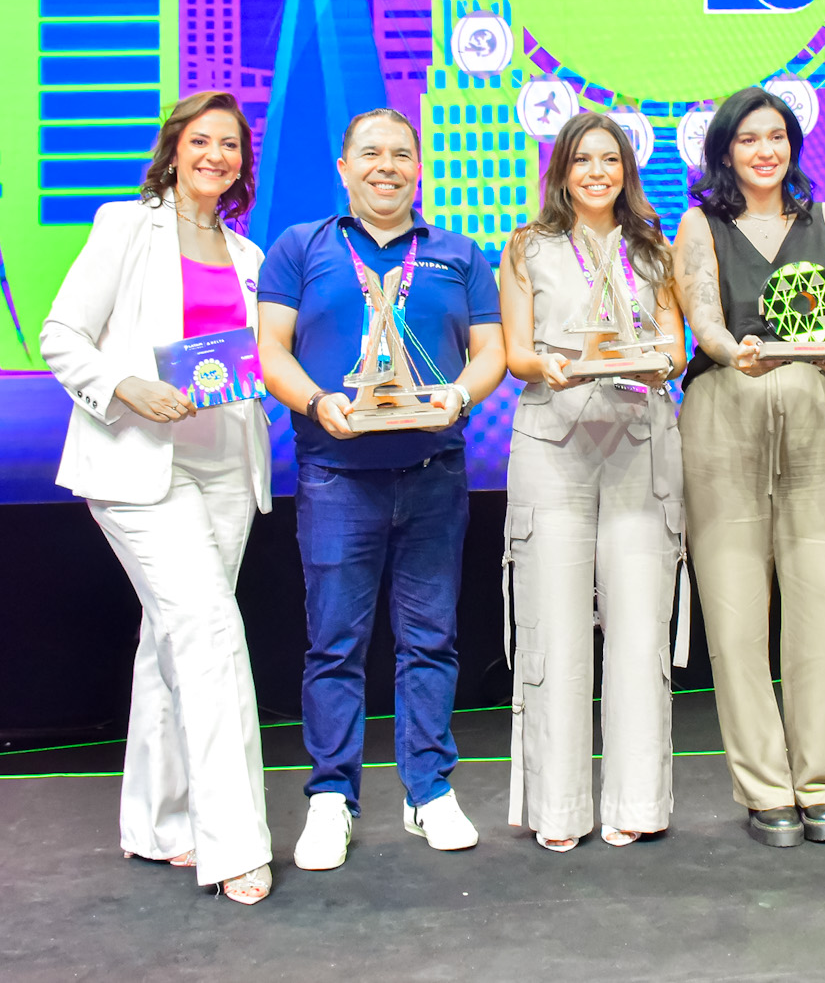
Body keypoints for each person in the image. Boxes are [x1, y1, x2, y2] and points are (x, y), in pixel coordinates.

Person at [255, 108, 508, 870]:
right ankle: (332, 794)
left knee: (430, 639)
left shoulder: (458, 254)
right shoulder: (302, 247)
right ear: (344, 167)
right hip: (337, 475)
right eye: (371, 153)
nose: (387, 166)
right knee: (335, 643)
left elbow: (491, 350)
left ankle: (428, 788)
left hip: (433, 473)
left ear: (419, 167)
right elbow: (270, 348)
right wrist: (315, 402)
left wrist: (460, 396)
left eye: (402, 153)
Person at [41, 91, 274, 905]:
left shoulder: (247, 257)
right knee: (208, 630)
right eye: (202, 140)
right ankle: (234, 842)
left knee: (168, 639)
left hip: (223, 469)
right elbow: (60, 336)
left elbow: (251, 362)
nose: (216, 155)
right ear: (175, 147)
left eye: (231, 145)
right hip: (138, 468)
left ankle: (159, 821)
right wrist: (126, 386)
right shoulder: (125, 227)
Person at [673, 86, 825, 848]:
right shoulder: (700, 223)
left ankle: (820, 782)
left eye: (776, 136)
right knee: (736, 612)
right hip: (727, 407)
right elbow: (704, 319)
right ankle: (764, 787)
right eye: (748, 138)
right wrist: (732, 350)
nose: (764, 150)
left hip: (815, 411)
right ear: (724, 150)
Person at [498, 112, 688, 852]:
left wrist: (658, 361)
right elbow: (516, 351)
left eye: (610, 159)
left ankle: (638, 799)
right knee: (555, 626)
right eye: (583, 159)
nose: (597, 172)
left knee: (641, 628)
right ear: (562, 169)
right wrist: (547, 364)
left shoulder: (653, 247)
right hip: (554, 440)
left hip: (641, 440)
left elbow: (673, 344)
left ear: (627, 169)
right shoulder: (527, 247)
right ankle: (560, 805)